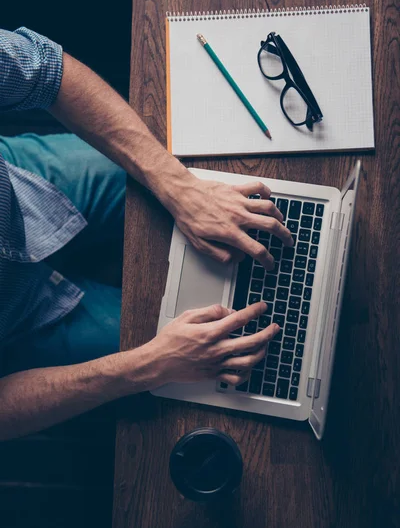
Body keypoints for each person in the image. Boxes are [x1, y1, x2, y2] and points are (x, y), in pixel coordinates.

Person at [0, 27, 293, 440]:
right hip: (19, 325)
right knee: (232, 352)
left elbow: (47, 70)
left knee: (225, 184)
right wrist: (149, 364)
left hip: (26, 187)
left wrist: (178, 185)